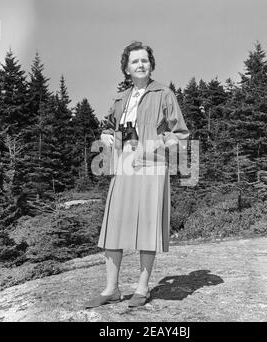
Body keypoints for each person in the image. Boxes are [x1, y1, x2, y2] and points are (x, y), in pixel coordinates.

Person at [84, 41, 189, 309]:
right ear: (126, 68)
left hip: (153, 167)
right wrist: (106, 135)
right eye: (135, 61)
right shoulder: (120, 99)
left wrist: (158, 141)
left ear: (151, 64)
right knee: (114, 226)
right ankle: (111, 289)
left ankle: (142, 289)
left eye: (144, 60)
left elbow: (180, 134)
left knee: (148, 227)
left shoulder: (164, 94)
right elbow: (109, 128)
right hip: (124, 165)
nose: (140, 64)